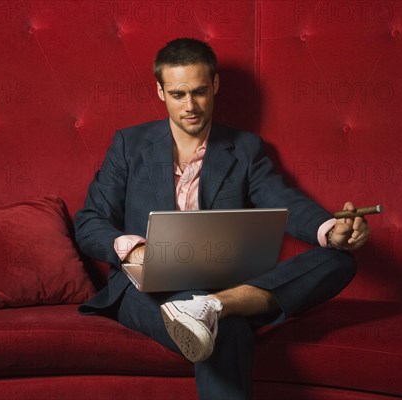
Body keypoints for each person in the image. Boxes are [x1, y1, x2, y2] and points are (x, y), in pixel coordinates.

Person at [75, 38, 370, 400]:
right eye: (178, 94)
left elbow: (283, 200)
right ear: (160, 91)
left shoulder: (245, 149)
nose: (190, 105)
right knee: (225, 331)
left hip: (222, 284)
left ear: (214, 85)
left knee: (339, 260)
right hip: (144, 288)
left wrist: (329, 229)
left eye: (199, 92)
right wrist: (135, 251)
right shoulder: (129, 144)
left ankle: (215, 305)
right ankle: (215, 311)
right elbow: (89, 223)